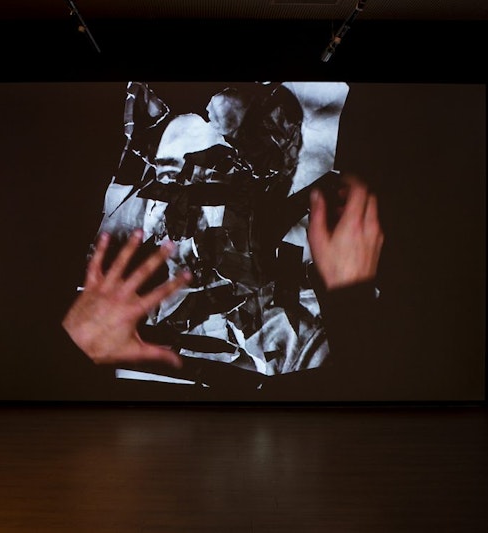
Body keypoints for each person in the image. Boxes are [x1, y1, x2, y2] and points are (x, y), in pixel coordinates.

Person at [62, 81, 383, 390]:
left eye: (212, 172)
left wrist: (349, 301)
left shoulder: (294, 330)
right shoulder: (116, 311)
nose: (182, 199)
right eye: (170, 175)